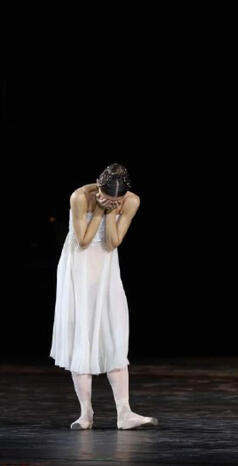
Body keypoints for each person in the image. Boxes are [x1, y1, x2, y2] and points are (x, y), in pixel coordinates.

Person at [50, 163, 157, 429]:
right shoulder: (79, 196)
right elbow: (84, 240)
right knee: (82, 332)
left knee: (114, 329)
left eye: (116, 201)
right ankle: (86, 413)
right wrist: (100, 210)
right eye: (109, 198)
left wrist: (110, 213)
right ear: (99, 187)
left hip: (106, 267)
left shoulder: (131, 202)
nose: (114, 203)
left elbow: (113, 241)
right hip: (79, 266)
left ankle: (124, 413)